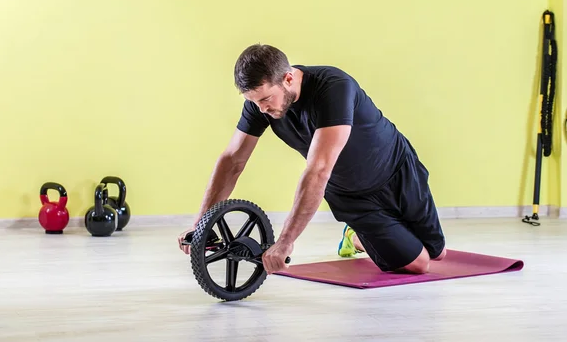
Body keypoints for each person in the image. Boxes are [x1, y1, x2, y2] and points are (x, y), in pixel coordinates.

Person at [177, 43, 446, 275]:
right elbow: (232, 160)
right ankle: (361, 233)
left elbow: (318, 169)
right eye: (254, 101)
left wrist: (284, 242)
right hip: (352, 197)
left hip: (399, 169)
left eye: (266, 99)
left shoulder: (334, 88)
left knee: (438, 252)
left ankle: (359, 238)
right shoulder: (260, 104)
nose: (261, 109)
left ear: (288, 79)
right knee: (420, 263)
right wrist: (200, 226)